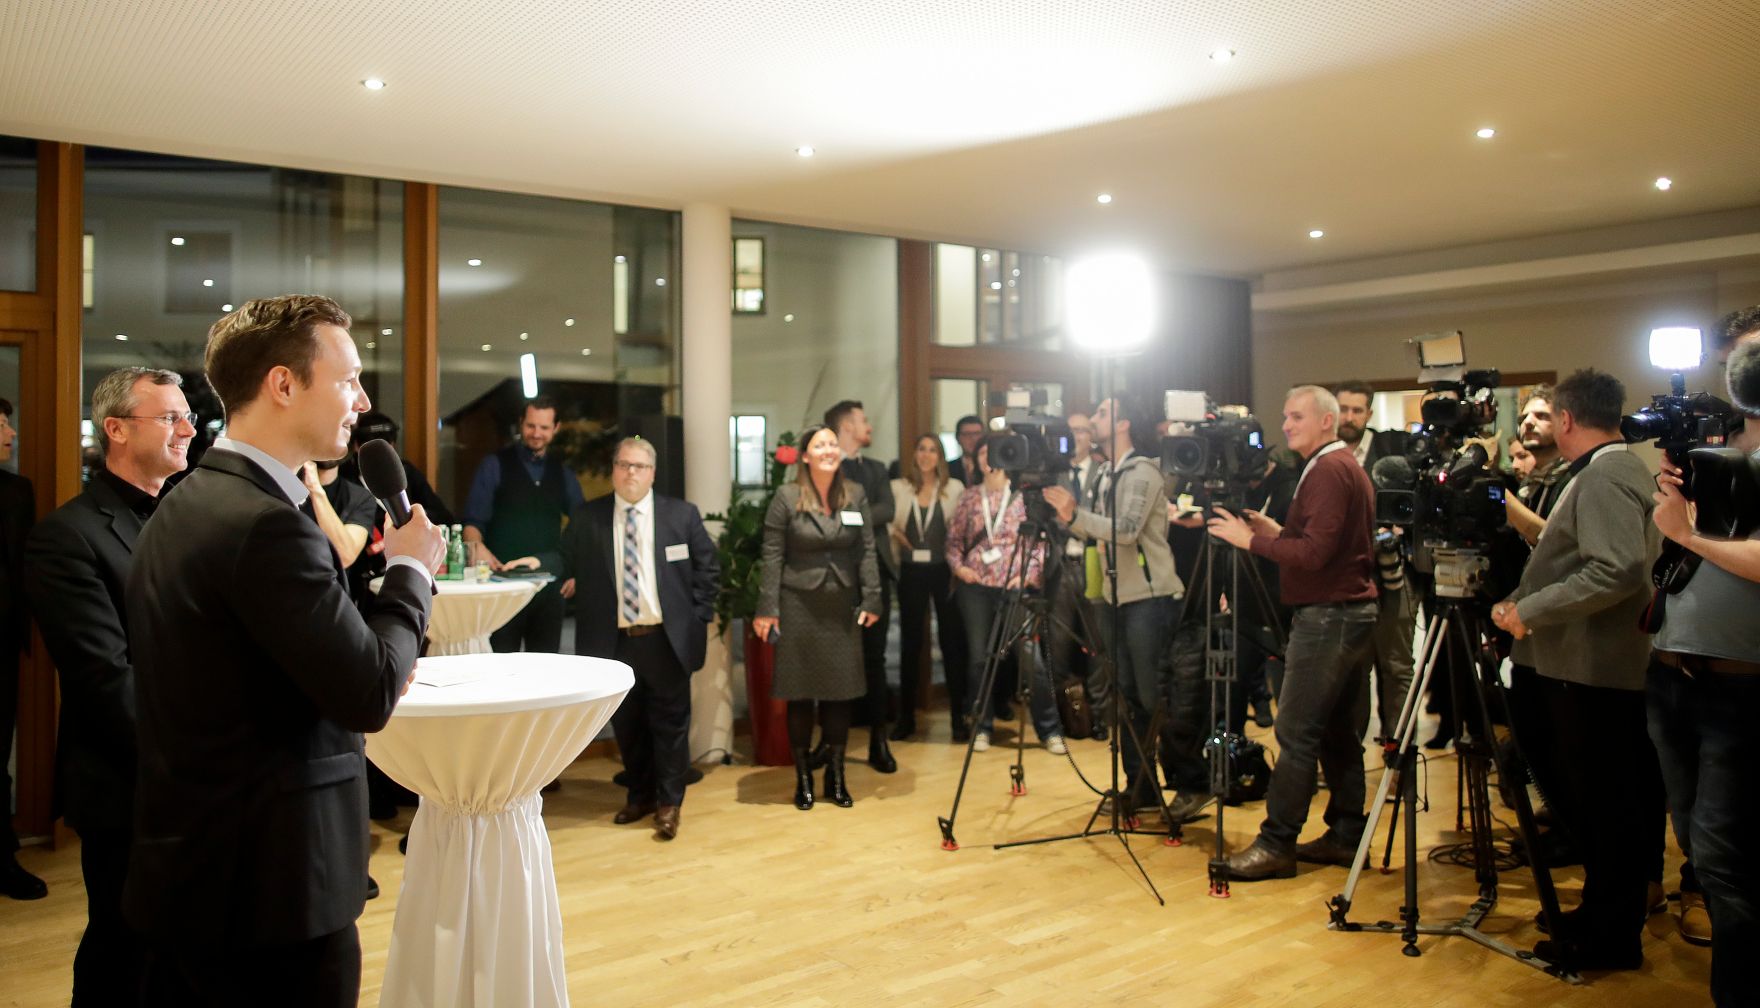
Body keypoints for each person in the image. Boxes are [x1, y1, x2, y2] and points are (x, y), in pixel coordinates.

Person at [124, 295, 443, 1007]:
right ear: (283, 384)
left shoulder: (188, 500)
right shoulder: (264, 526)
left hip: (200, 868)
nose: (361, 401)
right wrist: (411, 572)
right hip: (270, 887)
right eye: (348, 379)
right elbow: (367, 692)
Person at [23, 368, 192, 1003]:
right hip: (131, 780)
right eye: (169, 418)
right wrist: (199, 759)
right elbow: (105, 681)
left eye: (186, 417)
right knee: (125, 951)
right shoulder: (66, 536)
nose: (185, 430)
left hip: (201, 778)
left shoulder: (189, 515)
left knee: (186, 954)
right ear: (115, 430)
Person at [1490, 368, 1661, 971]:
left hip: (1592, 670)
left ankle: (1612, 935)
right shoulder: (1602, 468)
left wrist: (1528, 609)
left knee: (1604, 804)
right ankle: (1599, 914)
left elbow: (1616, 570)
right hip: (1575, 663)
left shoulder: (1610, 471)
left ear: (1565, 419)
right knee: (1590, 802)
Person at [1206, 385, 1379, 880]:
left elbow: (1315, 556)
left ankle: (1276, 842)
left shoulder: (1326, 470)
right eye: (1284, 417)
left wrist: (1251, 541)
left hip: (1329, 616)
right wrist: (1276, 530)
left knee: (1296, 732)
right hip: (1350, 612)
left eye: (1296, 416)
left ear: (1326, 421)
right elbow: (1324, 545)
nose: (1285, 426)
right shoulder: (1341, 465)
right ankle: (1347, 834)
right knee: (1338, 733)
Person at [1647, 321, 1760, 1005]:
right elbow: (1682, 549)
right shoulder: (1722, 457)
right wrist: (1682, 516)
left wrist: (1689, 534)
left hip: (1741, 688)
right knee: (1697, 841)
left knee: (1724, 857)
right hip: (1672, 674)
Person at [558, 436, 718, 840]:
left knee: (670, 726)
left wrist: (696, 618)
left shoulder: (681, 516)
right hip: (614, 642)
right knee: (627, 725)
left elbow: (707, 570)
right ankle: (639, 796)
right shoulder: (587, 518)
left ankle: (669, 804)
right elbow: (569, 563)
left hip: (666, 640)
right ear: (613, 469)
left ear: (653, 473)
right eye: (624, 465)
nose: (631, 473)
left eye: (639, 467)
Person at [1044, 396, 1183, 813]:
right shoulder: (1105, 472)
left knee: (1152, 696)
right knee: (1124, 698)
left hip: (1149, 598)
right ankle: (1139, 788)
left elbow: (1125, 530)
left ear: (1122, 423)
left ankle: (1184, 781)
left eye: (1102, 414)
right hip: (1113, 596)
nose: (1093, 420)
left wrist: (1073, 517)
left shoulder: (1143, 470)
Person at [753, 425, 881, 810]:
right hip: (798, 605)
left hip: (842, 605)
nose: (828, 449)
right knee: (800, 693)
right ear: (805, 456)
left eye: (831, 444)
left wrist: (872, 597)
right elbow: (772, 555)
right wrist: (767, 609)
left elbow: (867, 550)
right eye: (819, 445)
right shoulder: (787, 496)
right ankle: (804, 777)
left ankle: (836, 776)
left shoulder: (854, 494)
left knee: (840, 693)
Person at [944, 436, 1064, 754]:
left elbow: (1039, 545)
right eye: (982, 453)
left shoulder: (1025, 498)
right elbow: (954, 541)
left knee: (1031, 660)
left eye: (994, 452)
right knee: (979, 659)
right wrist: (959, 569)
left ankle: (1049, 729)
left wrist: (1027, 577)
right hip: (976, 587)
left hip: (1016, 588)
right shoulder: (969, 497)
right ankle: (981, 725)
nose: (989, 458)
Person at [461, 397, 584, 653]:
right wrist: (476, 546)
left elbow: (581, 525)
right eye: (531, 426)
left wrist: (575, 569)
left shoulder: (563, 472)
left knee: (546, 668)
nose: (536, 433)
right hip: (503, 585)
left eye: (544, 427)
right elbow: (473, 522)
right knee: (500, 667)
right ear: (521, 424)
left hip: (549, 587)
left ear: (556, 428)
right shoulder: (494, 465)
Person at [1335, 380, 1417, 753]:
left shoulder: (1394, 450)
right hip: (1347, 581)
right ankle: (1349, 754)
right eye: (1343, 409)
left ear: (1369, 414)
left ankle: (1399, 749)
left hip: (1395, 574)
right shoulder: (1324, 456)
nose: (1349, 417)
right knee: (1354, 670)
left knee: (1397, 667)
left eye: (1356, 410)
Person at [824, 399, 899, 772]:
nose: (868, 425)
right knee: (831, 658)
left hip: (875, 575)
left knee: (875, 659)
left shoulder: (876, 469)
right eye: (862, 420)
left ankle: (878, 742)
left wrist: (850, 514)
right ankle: (827, 741)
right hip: (832, 577)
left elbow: (888, 509)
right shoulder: (823, 466)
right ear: (847, 426)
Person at [887, 433, 966, 740]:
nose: (926, 455)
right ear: (914, 454)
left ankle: (958, 718)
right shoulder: (899, 488)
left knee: (951, 642)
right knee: (911, 644)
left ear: (940, 457)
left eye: (933, 450)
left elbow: (962, 528)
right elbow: (886, 522)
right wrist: (895, 533)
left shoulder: (954, 489)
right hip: (910, 572)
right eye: (921, 449)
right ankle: (906, 718)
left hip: (944, 572)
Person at [0, 397, 45, 902]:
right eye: (2, 423)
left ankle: (2, 854)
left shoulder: (16, 491)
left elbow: (19, 574)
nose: (10, 432)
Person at [945, 415, 986, 487]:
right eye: (967, 434)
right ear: (957, 438)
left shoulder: (993, 468)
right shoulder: (946, 468)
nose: (973, 438)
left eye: (977, 434)